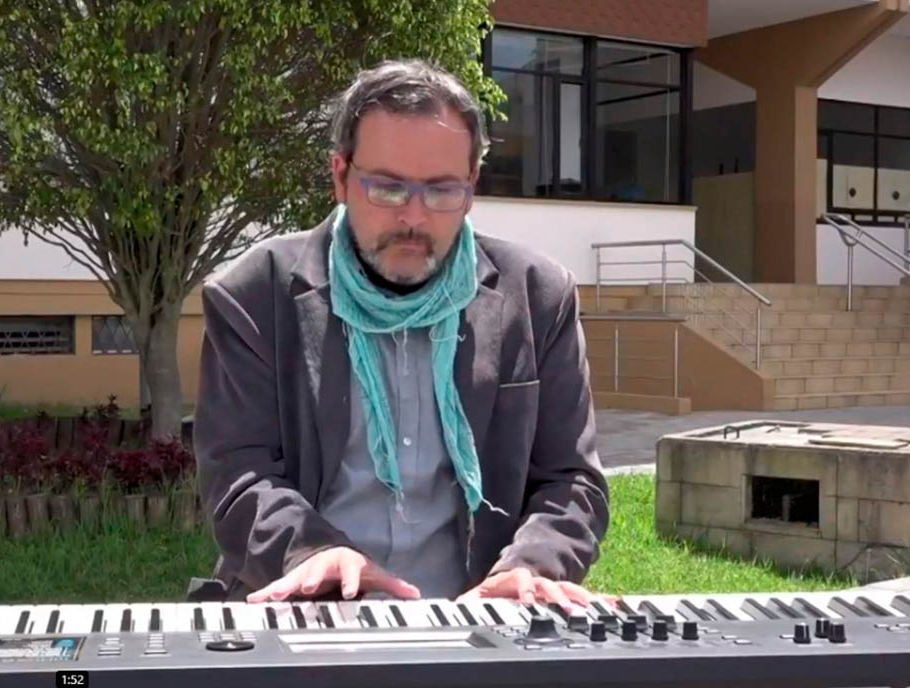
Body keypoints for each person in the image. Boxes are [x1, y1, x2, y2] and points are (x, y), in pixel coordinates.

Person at [190, 59, 610, 611]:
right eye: (387, 188)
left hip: (480, 620)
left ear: (471, 188)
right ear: (340, 176)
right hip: (307, 611)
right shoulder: (252, 295)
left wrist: (531, 567)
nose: (414, 217)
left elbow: (572, 480)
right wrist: (309, 552)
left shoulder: (539, 297)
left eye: (441, 191)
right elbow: (239, 477)